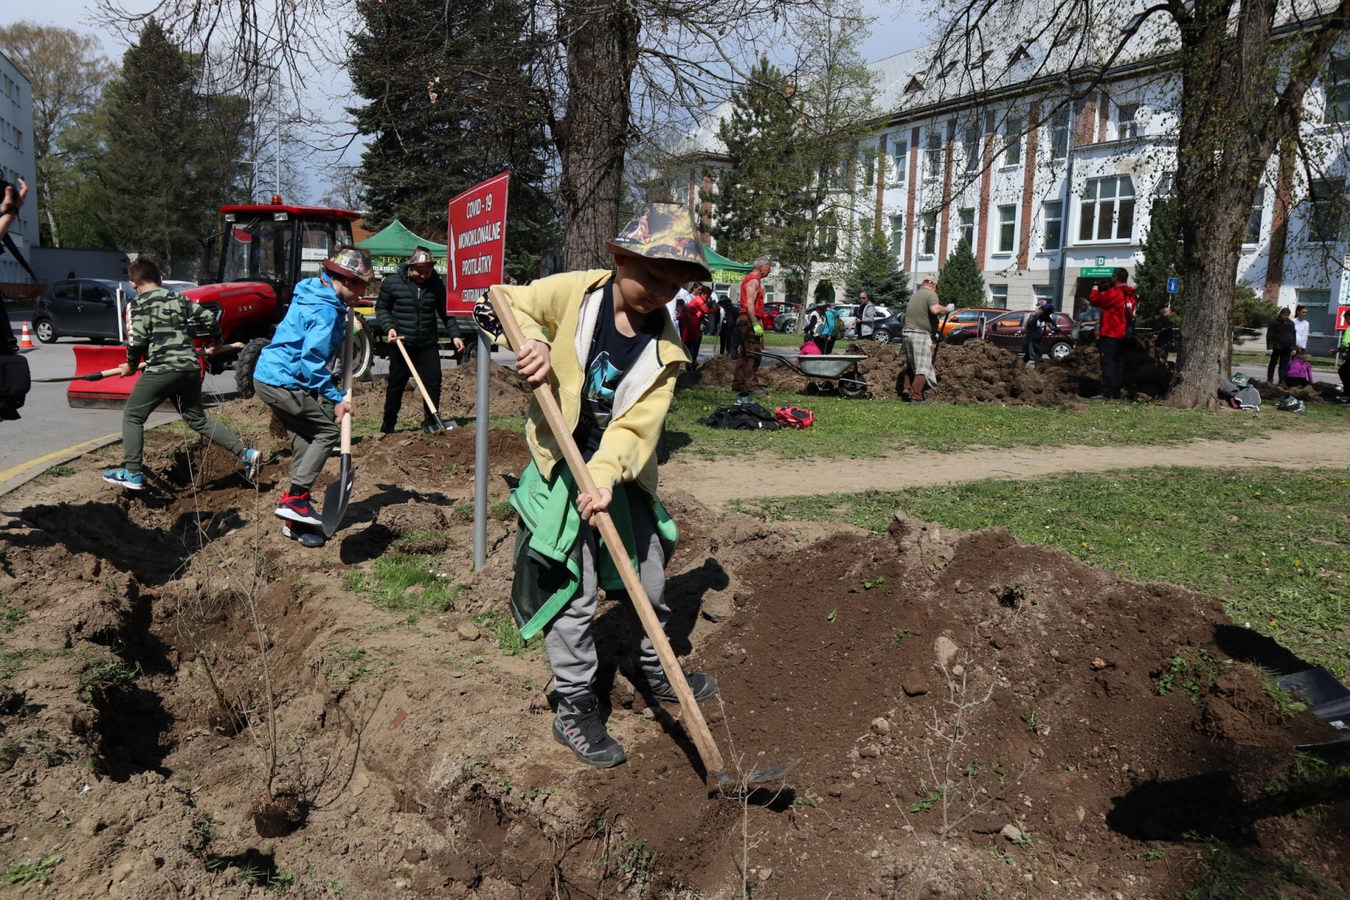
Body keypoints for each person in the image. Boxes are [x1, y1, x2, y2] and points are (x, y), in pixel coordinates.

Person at [488, 202, 717, 768]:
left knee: (650, 577)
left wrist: (607, 475)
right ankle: (574, 703)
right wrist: (535, 344)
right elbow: (504, 299)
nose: (662, 293)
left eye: (675, 285)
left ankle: (654, 667)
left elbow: (636, 429)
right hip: (557, 467)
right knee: (575, 588)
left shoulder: (666, 354)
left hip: (618, 473)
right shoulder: (573, 293)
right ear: (619, 257)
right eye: (654, 276)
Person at [102, 258, 260, 491]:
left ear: (132, 284)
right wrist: (216, 341)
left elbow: (136, 340)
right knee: (197, 420)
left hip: (162, 370)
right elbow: (207, 318)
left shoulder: (137, 305)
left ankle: (133, 473)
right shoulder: (178, 298)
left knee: (133, 417)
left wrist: (131, 365)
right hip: (190, 368)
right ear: (161, 279)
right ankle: (245, 453)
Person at [251, 246, 371, 543]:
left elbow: (311, 335)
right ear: (348, 280)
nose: (362, 293)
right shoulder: (326, 309)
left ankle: (294, 521)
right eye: (362, 285)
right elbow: (311, 361)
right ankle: (296, 501)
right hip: (283, 381)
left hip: (269, 377)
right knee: (327, 433)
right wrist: (336, 399)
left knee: (305, 441)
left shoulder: (313, 293)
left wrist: (347, 331)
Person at [375, 246, 464, 434]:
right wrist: (389, 327)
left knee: (433, 381)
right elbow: (382, 308)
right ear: (410, 266)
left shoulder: (436, 285)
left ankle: (432, 422)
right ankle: (388, 425)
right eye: (419, 271)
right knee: (396, 385)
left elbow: (445, 312)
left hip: (427, 343)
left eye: (427, 271)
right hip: (402, 343)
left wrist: (455, 334)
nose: (423, 275)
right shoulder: (393, 283)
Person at [1088, 268, 1134, 399]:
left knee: (1108, 362)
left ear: (1115, 277)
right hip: (1125, 332)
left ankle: (1108, 392)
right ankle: (1116, 390)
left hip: (1112, 332)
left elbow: (1095, 300)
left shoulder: (1116, 292)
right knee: (1118, 363)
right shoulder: (1130, 293)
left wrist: (1095, 287)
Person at [902, 277, 949, 402]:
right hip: (920, 334)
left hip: (907, 333)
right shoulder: (930, 294)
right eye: (936, 287)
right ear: (933, 284)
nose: (936, 289)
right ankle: (915, 396)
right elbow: (935, 309)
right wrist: (947, 309)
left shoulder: (915, 295)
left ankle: (906, 388)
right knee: (923, 366)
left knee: (912, 364)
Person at [678, 284, 711, 370]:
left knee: (694, 343)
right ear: (694, 288)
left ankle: (692, 361)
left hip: (695, 322)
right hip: (689, 323)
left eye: (701, 290)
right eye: (699, 289)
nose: (700, 292)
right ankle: (690, 363)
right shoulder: (689, 297)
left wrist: (703, 318)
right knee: (691, 344)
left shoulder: (700, 300)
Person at [1023, 296, 1057, 367]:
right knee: (1037, 354)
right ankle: (1037, 369)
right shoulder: (1034, 316)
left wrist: (1056, 328)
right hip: (1031, 338)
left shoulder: (1045, 316)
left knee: (1029, 355)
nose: (1049, 314)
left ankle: (1020, 366)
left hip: (1038, 338)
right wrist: (1036, 315)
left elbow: (1051, 324)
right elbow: (1030, 324)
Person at [1266, 306, 1296, 385]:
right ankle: (1270, 379)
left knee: (1284, 365)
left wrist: (1293, 348)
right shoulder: (1274, 322)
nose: (1286, 317)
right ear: (1281, 314)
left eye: (1287, 315)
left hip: (1287, 348)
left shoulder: (1291, 323)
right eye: (1284, 315)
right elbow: (1269, 335)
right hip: (1276, 347)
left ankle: (1282, 380)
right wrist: (1269, 347)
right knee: (1273, 364)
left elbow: (1293, 336)